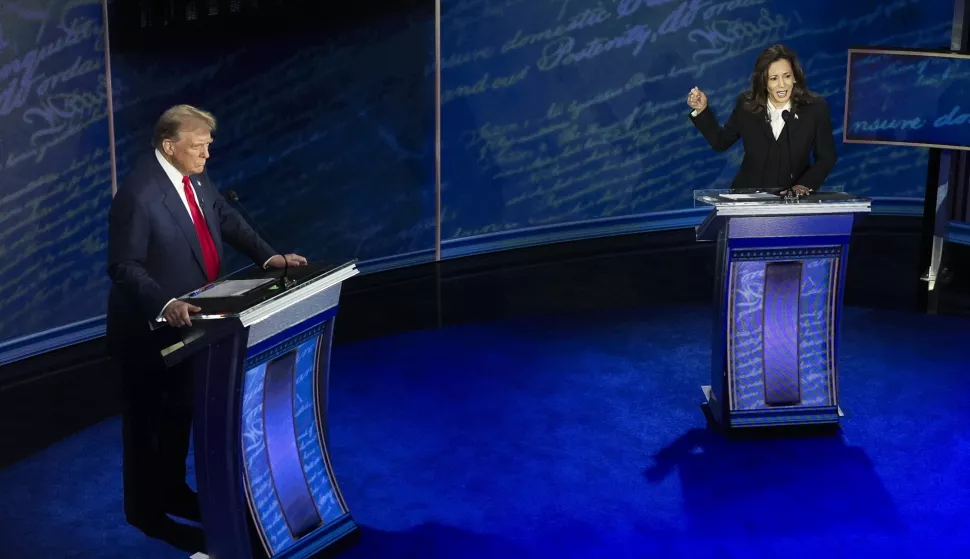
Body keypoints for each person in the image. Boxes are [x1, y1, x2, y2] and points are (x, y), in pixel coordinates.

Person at [105, 104, 307, 551]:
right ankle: (146, 512)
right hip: (149, 332)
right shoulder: (138, 195)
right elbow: (123, 265)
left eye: (209, 146)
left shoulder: (194, 176)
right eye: (198, 147)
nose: (206, 155)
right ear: (169, 146)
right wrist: (165, 302)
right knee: (148, 425)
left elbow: (223, 216)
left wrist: (269, 258)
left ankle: (174, 490)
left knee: (179, 414)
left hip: (195, 324)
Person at [686, 44, 837, 195]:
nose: (782, 84)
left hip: (792, 200)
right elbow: (720, 142)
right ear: (764, 82)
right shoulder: (747, 106)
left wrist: (803, 186)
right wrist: (702, 109)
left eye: (787, 76)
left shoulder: (815, 108)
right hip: (747, 198)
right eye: (773, 78)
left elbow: (826, 157)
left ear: (795, 78)